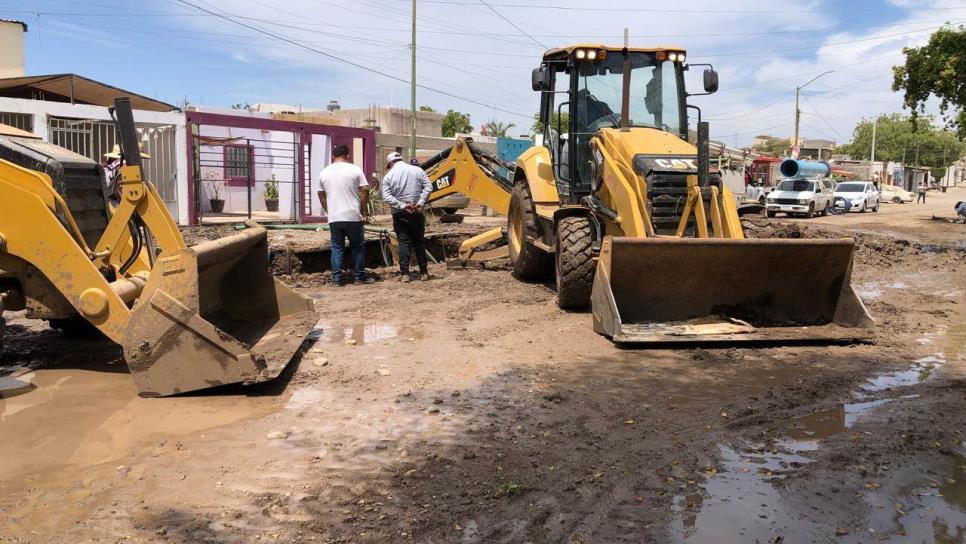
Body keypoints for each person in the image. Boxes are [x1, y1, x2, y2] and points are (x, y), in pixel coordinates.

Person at [318, 144, 373, 286]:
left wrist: (329, 210)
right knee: (357, 246)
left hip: (335, 217)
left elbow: (320, 194)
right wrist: (364, 209)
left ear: (333, 156)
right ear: (348, 156)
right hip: (353, 216)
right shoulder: (355, 169)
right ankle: (359, 277)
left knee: (337, 248)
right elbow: (365, 189)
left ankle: (337, 279)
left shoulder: (324, 172)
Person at [382, 152, 432, 281]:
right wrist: (420, 203)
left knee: (404, 243)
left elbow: (386, 196)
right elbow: (428, 187)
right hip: (417, 211)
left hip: (399, 213)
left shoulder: (389, 176)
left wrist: (402, 205)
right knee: (419, 242)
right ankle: (424, 272)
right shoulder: (418, 170)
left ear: (390, 163)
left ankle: (405, 274)